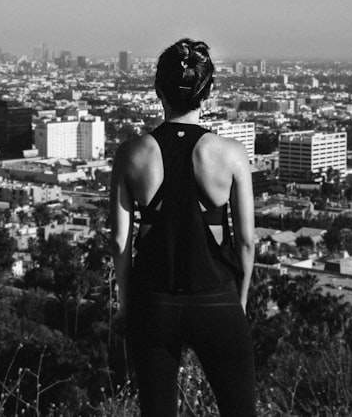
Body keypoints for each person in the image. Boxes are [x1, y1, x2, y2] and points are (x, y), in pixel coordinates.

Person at [110, 39, 257, 416]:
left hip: (153, 300)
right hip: (216, 297)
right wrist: (237, 302)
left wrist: (126, 307)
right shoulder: (231, 153)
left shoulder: (131, 153)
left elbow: (119, 241)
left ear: (158, 90)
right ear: (207, 92)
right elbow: (246, 242)